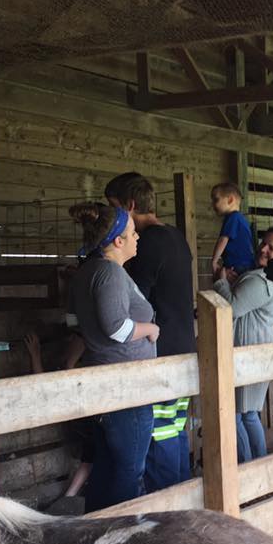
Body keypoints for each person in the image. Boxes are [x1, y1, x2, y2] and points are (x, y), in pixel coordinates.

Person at [105, 171, 196, 492]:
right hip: (184, 345)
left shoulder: (149, 243)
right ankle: (184, 505)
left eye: (114, 209)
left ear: (130, 206)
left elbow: (134, 298)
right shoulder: (174, 236)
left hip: (162, 350)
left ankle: (168, 514)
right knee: (175, 429)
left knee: (160, 435)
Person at [68, 202, 159, 512]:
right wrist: (150, 328)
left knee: (107, 466)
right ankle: (123, 535)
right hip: (125, 386)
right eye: (133, 233)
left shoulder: (91, 270)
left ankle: (96, 527)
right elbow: (117, 328)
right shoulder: (108, 273)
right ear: (118, 241)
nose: (138, 238)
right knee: (128, 471)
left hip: (108, 381)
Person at [212, 226, 273, 463]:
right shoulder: (269, 278)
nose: (264, 248)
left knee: (239, 415)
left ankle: (248, 469)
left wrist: (221, 281)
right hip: (256, 349)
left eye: (272, 247)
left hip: (248, 351)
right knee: (247, 414)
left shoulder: (263, 281)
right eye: (263, 243)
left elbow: (231, 307)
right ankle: (258, 465)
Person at [23, 330, 93, 505]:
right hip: (82, 418)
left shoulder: (79, 364)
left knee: (91, 457)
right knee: (90, 457)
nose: (71, 342)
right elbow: (46, 391)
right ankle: (69, 497)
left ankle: (69, 497)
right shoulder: (69, 365)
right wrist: (36, 354)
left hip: (86, 416)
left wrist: (36, 355)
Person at [210, 181, 255, 274]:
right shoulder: (242, 219)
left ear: (230, 200)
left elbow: (223, 240)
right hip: (247, 265)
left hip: (237, 266)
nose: (213, 204)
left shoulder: (233, 218)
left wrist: (214, 261)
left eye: (216, 199)